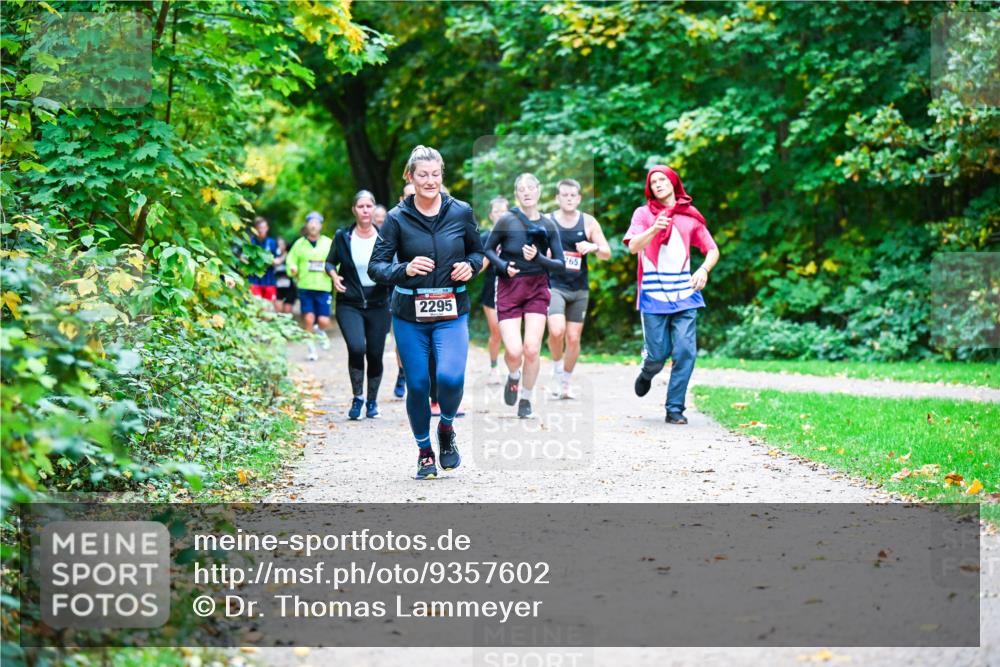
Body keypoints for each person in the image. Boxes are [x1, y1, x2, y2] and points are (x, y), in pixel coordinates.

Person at [368, 145, 484, 480]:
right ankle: (424, 453)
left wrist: (470, 266)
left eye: (435, 174)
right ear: (410, 176)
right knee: (418, 385)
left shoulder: (461, 211)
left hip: (451, 311)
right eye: (423, 175)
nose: (430, 181)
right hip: (410, 315)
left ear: (441, 175)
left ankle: (446, 428)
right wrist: (404, 269)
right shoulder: (396, 218)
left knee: (450, 378)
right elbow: (376, 267)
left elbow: (478, 253)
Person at [625, 165, 719, 424]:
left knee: (686, 352)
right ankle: (647, 372)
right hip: (653, 297)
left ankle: (675, 408)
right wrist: (654, 229)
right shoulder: (643, 214)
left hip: (685, 295)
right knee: (657, 355)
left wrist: (703, 269)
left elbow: (712, 249)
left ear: (674, 183)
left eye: (662, 179)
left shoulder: (690, 216)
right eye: (653, 181)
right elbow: (633, 246)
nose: (657, 184)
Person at [483, 173, 565, 419]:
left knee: (531, 349)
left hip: (537, 289)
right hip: (509, 288)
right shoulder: (506, 220)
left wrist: (538, 258)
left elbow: (560, 264)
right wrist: (502, 267)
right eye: (521, 189)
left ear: (539, 190)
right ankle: (513, 375)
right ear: (516, 194)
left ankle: (526, 400)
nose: (527, 192)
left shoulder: (548, 225)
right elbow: (488, 249)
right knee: (514, 351)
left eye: (531, 187)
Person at [327, 191, 392, 420]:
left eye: (369, 206)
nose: (365, 210)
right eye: (361, 206)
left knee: (375, 353)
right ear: (354, 210)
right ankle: (358, 397)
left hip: (379, 303)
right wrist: (334, 276)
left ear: (374, 209)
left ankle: (372, 402)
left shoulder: (385, 236)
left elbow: (395, 264)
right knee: (356, 348)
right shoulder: (343, 236)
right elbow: (329, 262)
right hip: (349, 303)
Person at [546, 179, 611, 398]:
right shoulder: (548, 221)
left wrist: (592, 247)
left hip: (579, 288)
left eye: (573, 195)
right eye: (564, 195)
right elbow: (533, 250)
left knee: (573, 338)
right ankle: (556, 369)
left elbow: (606, 252)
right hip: (554, 285)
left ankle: (565, 382)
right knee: (557, 331)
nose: (569, 199)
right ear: (557, 198)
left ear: (579, 198)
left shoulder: (588, 222)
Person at [285, 212, 334, 361]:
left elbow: (335, 261)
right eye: (311, 223)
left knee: (324, 321)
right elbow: (290, 259)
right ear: (306, 226)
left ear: (321, 226)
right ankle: (311, 349)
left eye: (316, 223)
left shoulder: (328, 243)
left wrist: (332, 271)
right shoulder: (299, 244)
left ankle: (320, 330)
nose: (313, 225)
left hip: (323, 286)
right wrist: (292, 268)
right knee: (308, 319)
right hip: (305, 286)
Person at [479, 196, 509, 384]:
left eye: (503, 211)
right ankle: (493, 367)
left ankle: (513, 367)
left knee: (511, 333)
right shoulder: (485, 238)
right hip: (491, 289)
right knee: (496, 331)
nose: (500, 214)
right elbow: (480, 267)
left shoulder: (516, 236)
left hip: (513, 288)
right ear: (491, 215)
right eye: (496, 211)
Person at [392, 183, 417, 399]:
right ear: (402, 198)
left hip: (429, 292)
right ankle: (402, 372)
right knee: (402, 341)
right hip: (399, 290)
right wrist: (404, 270)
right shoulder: (394, 221)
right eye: (408, 196)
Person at [248, 216, 280, 303]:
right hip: (254, 280)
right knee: (256, 306)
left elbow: (277, 260)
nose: (261, 230)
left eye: (263, 227)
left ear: (267, 228)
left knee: (267, 308)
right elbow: (243, 258)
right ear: (255, 229)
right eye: (259, 228)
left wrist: (271, 260)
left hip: (269, 280)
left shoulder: (272, 242)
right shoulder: (250, 242)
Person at [273, 237, 297, 315]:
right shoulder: (273, 255)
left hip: (289, 286)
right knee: (278, 311)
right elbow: (276, 262)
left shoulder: (291, 256)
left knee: (287, 311)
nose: (280, 246)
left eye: (282, 244)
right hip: (277, 286)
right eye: (278, 244)